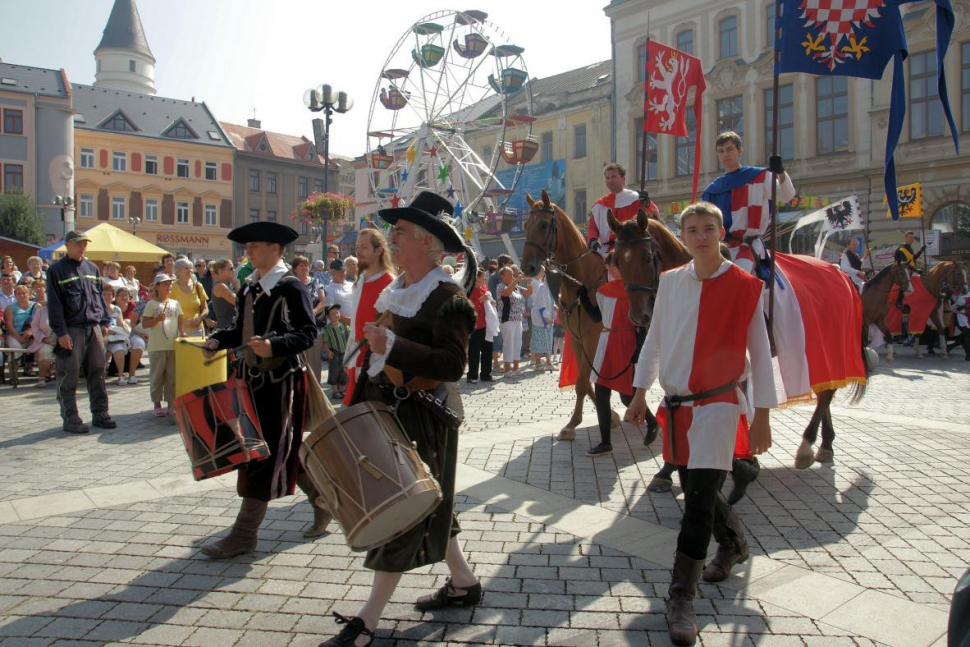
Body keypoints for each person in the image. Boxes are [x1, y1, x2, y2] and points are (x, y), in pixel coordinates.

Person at [322, 191, 479, 647]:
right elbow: (373, 355)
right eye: (394, 229)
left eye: (402, 230)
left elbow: (453, 365)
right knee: (429, 504)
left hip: (424, 418)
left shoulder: (448, 297)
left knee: (401, 512)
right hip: (386, 410)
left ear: (427, 242)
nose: (393, 235)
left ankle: (366, 622)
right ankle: (464, 583)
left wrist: (391, 347)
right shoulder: (395, 291)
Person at [625, 202, 776, 646]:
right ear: (683, 236)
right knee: (697, 489)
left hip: (719, 406)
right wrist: (638, 392)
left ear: (721, 232)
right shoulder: (670, 283)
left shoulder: (746, 286)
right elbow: (653, 340)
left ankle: (681, 597)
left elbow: (761, 354)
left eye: (709, 228)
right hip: (677, 407)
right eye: (692, 229)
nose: (701, 236)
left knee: (695, 502)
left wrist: (763, 415)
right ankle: (732, 544)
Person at [199, 221, 328, 558]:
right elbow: (240, 330)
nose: (248, 252)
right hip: (250, 382)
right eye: (248, 247)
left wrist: (273, 345)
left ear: (275, 248)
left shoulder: (290, 287)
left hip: (282, 383)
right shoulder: (249, 287)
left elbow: (307, 333)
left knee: (261, 454)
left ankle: (244, 535)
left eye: (254, 246)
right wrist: (217, 340)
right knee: (279, 449)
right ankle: (323, 499)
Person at [46, 231, 116, 434]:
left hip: (93, 327)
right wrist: (61, 333)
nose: (82, 247)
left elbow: (100, 299)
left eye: (85, 244)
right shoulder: (56, 270)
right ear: (67, 244)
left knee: (98, 372)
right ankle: (71, 418)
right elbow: (55, 304)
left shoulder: (92, 268)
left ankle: (100, 413)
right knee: (69, 374)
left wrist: (104, 321)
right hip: (72, 329)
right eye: (78, 244)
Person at [701, 131, 796, 276]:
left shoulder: (759, 176)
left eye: (729, 149)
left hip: (748, 247)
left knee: (739, 280)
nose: (725, 154)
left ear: (739, 151)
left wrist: (781, 172)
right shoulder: (712, 190)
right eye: (721, 151)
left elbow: (786, 195)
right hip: (721, 249)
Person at [578, 254, 637, 456]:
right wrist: (585, 299)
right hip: (607, 341)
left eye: (615, 266)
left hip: (627, 343)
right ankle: (605, 442)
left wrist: (640, 348)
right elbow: (597, 317)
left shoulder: (635, 290)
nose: (611, 270)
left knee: (628, 397)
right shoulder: (603, 291)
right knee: (602, 392)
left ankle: (653, 422)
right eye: (609, 266)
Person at [343, 227, 395, 405]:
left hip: (375, 363)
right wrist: (349, 355)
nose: (358, 252)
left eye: (364, 247)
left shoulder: (390, 284)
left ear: (378, 250)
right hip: (357, 355)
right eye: (357, 247)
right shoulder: (360, 280)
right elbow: (356, 322)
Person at [586, 163, 660, 258]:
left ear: (623, 179)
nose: (610, 180)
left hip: (631, 247)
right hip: (605, 251)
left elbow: (652, 217)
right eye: (607, 178)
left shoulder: (636, 199)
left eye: (613, 177)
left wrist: (646, 203)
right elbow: (593, 226)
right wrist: (592, 240)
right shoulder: (600, 204)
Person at [141, 274, 183, 416]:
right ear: (157, 286)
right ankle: (157, 404)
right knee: (157, 376)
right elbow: (145, 323)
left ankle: (171, 405)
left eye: (169, 284)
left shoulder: (175, 303)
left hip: (172, 345)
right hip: (157, 346)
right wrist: (157, 319)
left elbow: (180, 320)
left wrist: (182, 332)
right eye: (165, 284)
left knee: (172, 378)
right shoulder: (151, 304)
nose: (168, 286)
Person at [3, 284, 36, 381]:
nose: (22, 295)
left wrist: (30, 331)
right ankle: (14, 376)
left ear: (29, 294)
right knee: (15, 348)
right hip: (14, 334)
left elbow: (38, 322)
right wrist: (19, 338)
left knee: (37, 345)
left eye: (24, 293)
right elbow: (9, 325)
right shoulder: (10, 308)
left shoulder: (36, 306)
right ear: (15, 295)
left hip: (32, 334)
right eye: (19, 294)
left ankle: (31, 369)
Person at [497, 266, 526, 375]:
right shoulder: (500, 286)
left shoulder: (516, 287)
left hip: (518, 318)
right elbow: (506, 292)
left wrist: (529, 282)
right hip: (507, 318)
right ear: (502, 276)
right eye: (509, 275)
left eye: (512, 274)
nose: (511, 276)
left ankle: (516, 367)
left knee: (518, 343)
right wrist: (516, 280)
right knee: (508, 343)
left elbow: (528, 293)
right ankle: (507, 368)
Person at [467, 269, 494, 384]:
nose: (485, 278)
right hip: (476, 326)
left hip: (487, 325)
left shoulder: (485, 288)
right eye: (483, 276)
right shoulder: (470, 290)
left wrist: (493, 303)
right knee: (474, 352)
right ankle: (472, 376)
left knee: (488, 350)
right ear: (476, 278)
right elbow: (469, 307)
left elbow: (489, 302)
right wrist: (480, 300)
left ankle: (485, 374)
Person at [26, 281, 55, 388]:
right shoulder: (41, 310)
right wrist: (44, 339)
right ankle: (42, 378)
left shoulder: (64, 311)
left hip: (62, 338)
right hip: (45, 339)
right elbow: (35, 328)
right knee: (45, 353)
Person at [101, 284, 131, 386]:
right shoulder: (97, 308)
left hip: (115, 336)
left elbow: (120, 324)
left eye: (109, 294)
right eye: (104, 294)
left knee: (119, 349)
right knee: (101, 347)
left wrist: (117, 329)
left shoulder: (117, 309)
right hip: (101, 336)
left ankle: (121, 376)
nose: (107, 296)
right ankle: (101, 374)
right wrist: (106, 331)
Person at [171, 258, 208, 337]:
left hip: (198, 329)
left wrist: (200, 318)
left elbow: (205, 308)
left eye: (191, 268)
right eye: (186, 268)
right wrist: (182, 321)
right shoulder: (172, 288)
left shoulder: (198, 286)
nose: (190, 270)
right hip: (179, 330)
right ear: (178, 271)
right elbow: (168, 309)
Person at [114, 287, 144, 385]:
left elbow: (134, 321)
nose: (124, 297)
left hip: (131, 330)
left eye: (126, 295)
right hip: (118, 332)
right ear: (116, 297)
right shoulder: (114, 306)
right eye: (121, 295)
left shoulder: (132, 305)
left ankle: (132, 371)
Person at [529, 264, 555, 372]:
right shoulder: (542, 287)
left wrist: (555, 309)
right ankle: (538, 363)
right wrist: (546, 317)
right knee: (539, 340)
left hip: (548, 318)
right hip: (540, 318)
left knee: (548, 339)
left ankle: (549, 362)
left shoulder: (550, 288)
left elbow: (550, 303)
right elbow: (542, 305)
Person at [321, 303, 349, 400]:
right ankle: (335, 391)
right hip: (334, 352)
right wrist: (328, 351)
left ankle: (342, 389)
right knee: (334, 370)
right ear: (328, 316)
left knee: (344, 370)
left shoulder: (343, 325)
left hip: (344, 351)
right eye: (333, 314)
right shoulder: (328, 329)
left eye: (337, 312)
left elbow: (348, 336)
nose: (336, 315)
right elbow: (325, 342)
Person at [894, 231, 925, 309]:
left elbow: (913, 259)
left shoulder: (910, 248)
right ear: (906, 238)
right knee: (904, 281)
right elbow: (904, 264)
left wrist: (921, 251)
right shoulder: (901, 249)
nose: (912, 239)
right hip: (902, 270)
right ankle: (899, 301)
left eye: (913, 238)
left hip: (911, 269)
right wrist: (916, 270)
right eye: (910, 237)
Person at [206, 259, 238, 331]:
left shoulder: (227, 285)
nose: (234, 270)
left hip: (229, 327)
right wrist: (237, 285)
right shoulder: (220, 286)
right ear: (220, 271)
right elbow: (239, 301)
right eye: (231, 268)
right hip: (225, 328)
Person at [324, 258, 354, 324]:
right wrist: (350, 321)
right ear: (332, 273)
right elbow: (330, 313)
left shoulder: (352, 285)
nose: (342, 274)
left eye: (344, 271)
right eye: (339, 272)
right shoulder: (328, 289)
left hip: (356, 325)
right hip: (340, 327)